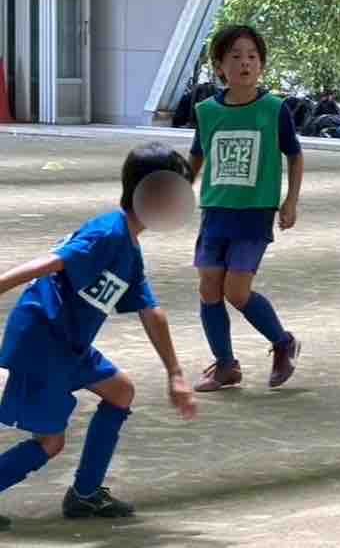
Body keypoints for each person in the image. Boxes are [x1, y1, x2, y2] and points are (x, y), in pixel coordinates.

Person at [0, 143, 198, 531]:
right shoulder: (108, 232)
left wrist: (175, 373)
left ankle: (86, 494)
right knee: (50, 443)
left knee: (120, 391)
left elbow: (151, 311)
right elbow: (55, 261)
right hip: (43, 340)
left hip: (70, 344)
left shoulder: (129, 246)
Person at [188, 24, 304, 392]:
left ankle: (282, 342)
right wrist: (177, 191)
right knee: (209, 286)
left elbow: (295, 155)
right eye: (235, 56)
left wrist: (290, 200)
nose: (245, 63)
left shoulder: (274, 109)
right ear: (219, 66)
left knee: (237, 291)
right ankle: (225, 365)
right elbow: (197, 156)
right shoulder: (207, 111)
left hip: (254, 213)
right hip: (215, 211)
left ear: (261, 65)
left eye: (252, 56)